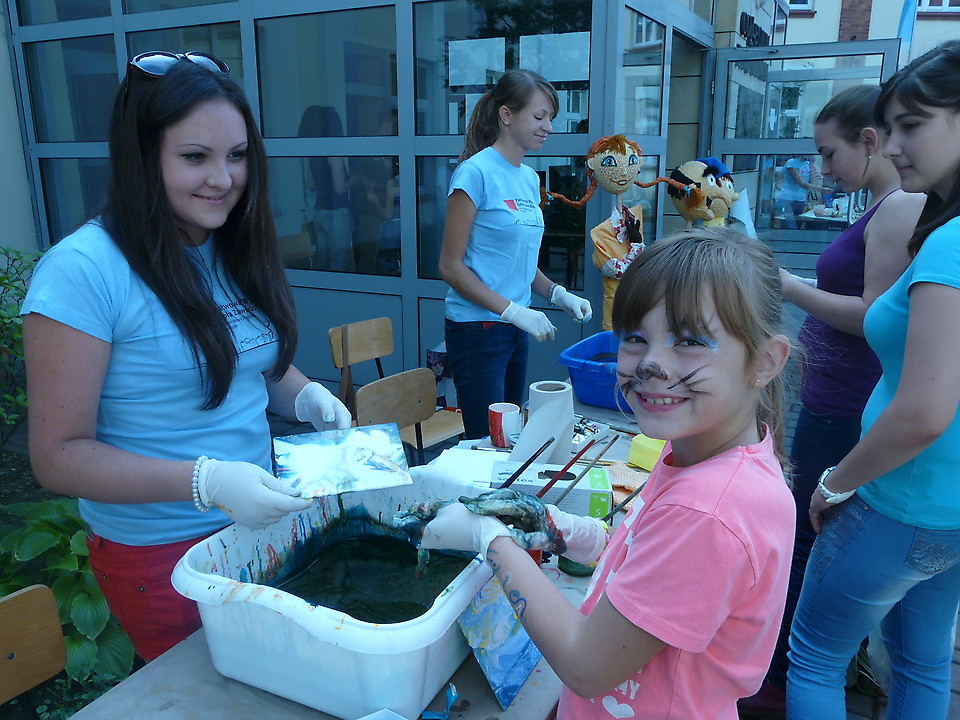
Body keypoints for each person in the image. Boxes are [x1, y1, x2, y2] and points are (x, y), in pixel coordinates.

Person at [20, 51, 351, 662]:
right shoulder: (82, 271)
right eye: (195, 157)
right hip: (162, 556)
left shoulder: (226, 242)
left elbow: (253, 362)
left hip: (257, 528)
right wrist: (206, 481)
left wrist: (305, 394)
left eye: (237, 155)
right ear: (144, 156)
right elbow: (58, 456)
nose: (222, 179)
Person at [421, 227, 796, 719]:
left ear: (765, 361)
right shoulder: (698, 455)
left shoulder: (707, 511)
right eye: (635, 338)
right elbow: (648, 553)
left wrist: (491, 540)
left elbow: (585, 665)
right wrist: (567, 532)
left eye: (690, 341)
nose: (652, 364)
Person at [786, 40, 960, 720]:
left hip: (900, 498)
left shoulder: (949, 242)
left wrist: (837, 481)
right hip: (946, 506)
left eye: (912, 125)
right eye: (888, 128)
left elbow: (922, 412)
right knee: (921, 662)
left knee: (815, 658)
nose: (893, 145)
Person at [739, 85, 925, 716]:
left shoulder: (897, 209)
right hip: (837, 398)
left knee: (807, 538)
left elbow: (873, 315)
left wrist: (787, 285)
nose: (822, 169)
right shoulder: (881, 207)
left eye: (828, 153)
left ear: (868, 141)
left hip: (846, 406)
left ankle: (784, 677)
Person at [439, 69, 592, 439]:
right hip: (478, 328)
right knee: (487, 439)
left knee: (508, 435)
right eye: (539, 116)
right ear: (506, 115)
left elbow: (519, 261)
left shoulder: (528, 178)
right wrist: (513, 311)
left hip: (515, 327)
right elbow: (450, 267)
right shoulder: (474, 174)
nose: (548, 127)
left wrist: (557, 294)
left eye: (550, 118)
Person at [298, 105, 362, 272]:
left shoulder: (313, 153)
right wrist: (354, 177)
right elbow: (340, 188)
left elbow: (312, 185)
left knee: (322, 264)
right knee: (338, 265)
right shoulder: (334, 152)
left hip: (319, 214)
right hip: (337, 214)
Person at [775, 154, 831, 229]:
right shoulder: (791, 163)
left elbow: (813, 183)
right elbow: (801, 183)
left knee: (798, 226)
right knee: (789, 226)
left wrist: (812, 165)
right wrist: (822, 190)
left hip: (800, 200)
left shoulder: (807, 164)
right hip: (787, 199)